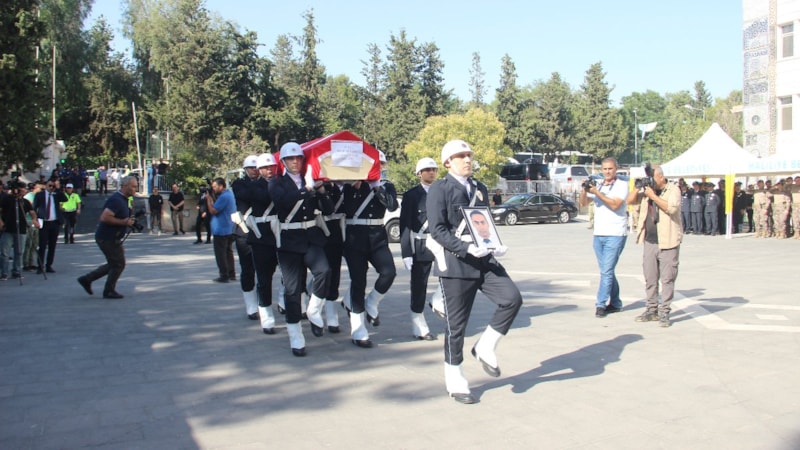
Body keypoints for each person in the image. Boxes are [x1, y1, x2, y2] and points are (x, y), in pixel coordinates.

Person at [427, 139, 522, 405]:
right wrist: (466, 248)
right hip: (457, 263)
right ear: (448, 162)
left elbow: (483, 221)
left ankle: (485, 346)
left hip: (484, 258)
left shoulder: (479, 187)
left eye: (469, 155)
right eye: (461, 156)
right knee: (456, 327)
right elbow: (438, 230)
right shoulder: (439, 188)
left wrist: (494, 244)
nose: (467, 160)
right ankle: (455, 379)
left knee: (512, 298)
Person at [270, 142, 333, 356]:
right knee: (292, 290)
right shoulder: (276, 183)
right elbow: (283, 201)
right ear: (284, 162)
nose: (295, 161)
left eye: (298, 158)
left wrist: (322, 190)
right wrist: (307, 188)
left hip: (311, 238)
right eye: (290, 159)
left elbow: (329, 210)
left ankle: (314, 309)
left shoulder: (312, 180)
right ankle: (295, 334)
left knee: (324, 271)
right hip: (289, 241)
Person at [342, 150, 398, 348]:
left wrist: (378, 189)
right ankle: (358, 330)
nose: (378, 167)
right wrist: (353, 187)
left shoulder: (385, 185)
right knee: (358, 281)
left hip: (377, 235)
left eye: (380, 164)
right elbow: (343, 209)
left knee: (389, 272)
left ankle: (372, 302)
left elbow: (391, 206)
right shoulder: (351, 184)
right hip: (355, 236)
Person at [626, 165, 682, 327]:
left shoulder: (673, 190)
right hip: (650, 241)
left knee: (667, 278)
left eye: (652, 177)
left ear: (661, 177)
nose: (650, 180)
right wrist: (637, 189)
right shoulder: (646, 191)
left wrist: (653, 196)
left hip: (668, 241)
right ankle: (651, 309)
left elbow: (671, 208)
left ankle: (665, 311)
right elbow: (629, 201)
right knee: (650, 278)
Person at [578, 157, 629, 318]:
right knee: (606, 270)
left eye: (610, 169)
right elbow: (583, 204)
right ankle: (616, 302)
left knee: (606, 271)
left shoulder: (622, 185)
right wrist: (585, 190)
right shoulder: (598, 184)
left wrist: (597, 192)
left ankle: (600, 304)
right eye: (605, 169)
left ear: (616, 169)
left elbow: (615, 205)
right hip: (599, 233)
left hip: (615, 233)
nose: (607, 172)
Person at [77, 176, 139, 299]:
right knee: (118, 264)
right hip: (107, 237)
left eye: (136, 186)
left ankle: (87, 279)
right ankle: (108, 290)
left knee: (114, 263)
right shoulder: (116, 200)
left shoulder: (123, 200)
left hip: (111, 238)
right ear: (124, 186)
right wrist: (124, 222)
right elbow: (105, 217)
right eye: (133, 186)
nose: (135, 189)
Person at [399, 157, 439, 341]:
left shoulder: (442, 191)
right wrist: (406, 252)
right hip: (421, 245)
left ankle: (438, 302)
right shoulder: (411, 195)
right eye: (427, 169)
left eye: (434, 169)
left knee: (450, 279)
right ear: (419, 173)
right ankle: (418, 324)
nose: (432, 172)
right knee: (419, 285)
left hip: (441, 243)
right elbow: (404, 226)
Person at [243, 152, 280, 334]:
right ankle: (266, 316)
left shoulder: (282, 183)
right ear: (259, 170)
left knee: (290, 276)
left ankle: (286, 303)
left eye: (271, 167)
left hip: (281, 235)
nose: (269, 170)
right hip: (261, 238)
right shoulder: (253, 188)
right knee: (264, 279)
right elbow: (265, 197)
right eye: (265, 168)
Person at [231, 155, 261, 320]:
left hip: (263, 231)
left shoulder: (265, 183)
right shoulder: (239, 184)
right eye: (251, 168)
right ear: (245, 170)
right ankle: (250, 305)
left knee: (264, 270)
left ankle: (263, 302)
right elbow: (247, 195)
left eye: (257, 168)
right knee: (247, 269)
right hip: (245, 231)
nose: (254, 171)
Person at [0, 182, 39, 280]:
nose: (24, 191)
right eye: (22, 189)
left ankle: (16, 271)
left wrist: (34, 220)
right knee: (5, 252)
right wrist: (0, 222)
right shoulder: (7, 199)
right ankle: (4, 272)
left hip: (21, 229)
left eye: (24, 189)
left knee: (19, 252)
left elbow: (32, 212)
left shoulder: (24, 201)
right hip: (7, 228)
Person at [33, 178, 68, 273]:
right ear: (45, 186)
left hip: (54, 222)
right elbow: (34, 207)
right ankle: (40, 266)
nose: (51, 187)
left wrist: (58, 189)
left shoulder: (56, 195)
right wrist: (35, 220)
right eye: (50, 185)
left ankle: (49, 265)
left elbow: (65, 199)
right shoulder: (40, 195)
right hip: (44, 223)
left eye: (53, 186)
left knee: (52, 246)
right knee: (42, 245)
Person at [206, 178, 237, 282]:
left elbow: (213, 210)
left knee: (221, 254)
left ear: (221, 186)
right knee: (228, 252)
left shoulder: (224, 197)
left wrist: (208, 200)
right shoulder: (229, 194)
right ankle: (231, 273)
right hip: (228, 228)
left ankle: (224, 275)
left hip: (221, 229)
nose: (213, 189)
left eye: (215, 186)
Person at [22, 182, 43, 271]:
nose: (42, 191)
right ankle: (26, 263)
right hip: (29, 221)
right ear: (35, 188)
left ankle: (31, 262)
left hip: (36, 220)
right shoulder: (29, 197)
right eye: (40, 189)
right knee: (28, 244)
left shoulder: (38, 197)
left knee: (35, 243)